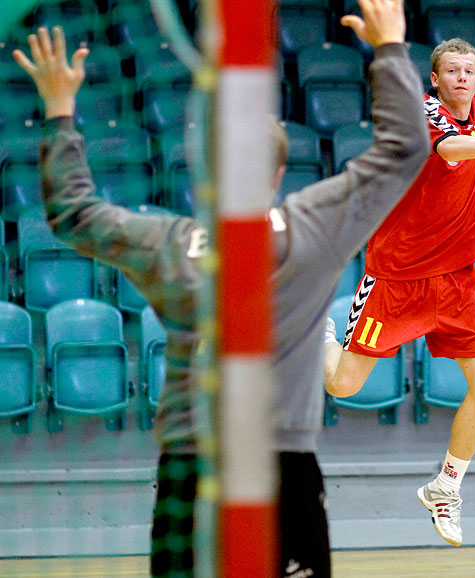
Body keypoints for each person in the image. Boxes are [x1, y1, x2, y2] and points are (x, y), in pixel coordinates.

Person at [14, 0, 429, 575]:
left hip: (191, 468)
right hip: (282, 465)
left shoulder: (169, 244)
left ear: (205, 168)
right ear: (281, 174)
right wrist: (389, 46)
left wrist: (60, 109)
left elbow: (73, 213)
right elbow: (406, 147)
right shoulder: (314, 227)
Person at [324, 36, 475, 546]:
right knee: (344, 385)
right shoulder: (426, 115)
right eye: (454, 71)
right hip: (398, 274)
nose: (465, 78)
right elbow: (450, 149)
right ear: (436, 80)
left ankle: (446, 487)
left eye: (471, 70)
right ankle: (321, 337)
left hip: (457, 276)